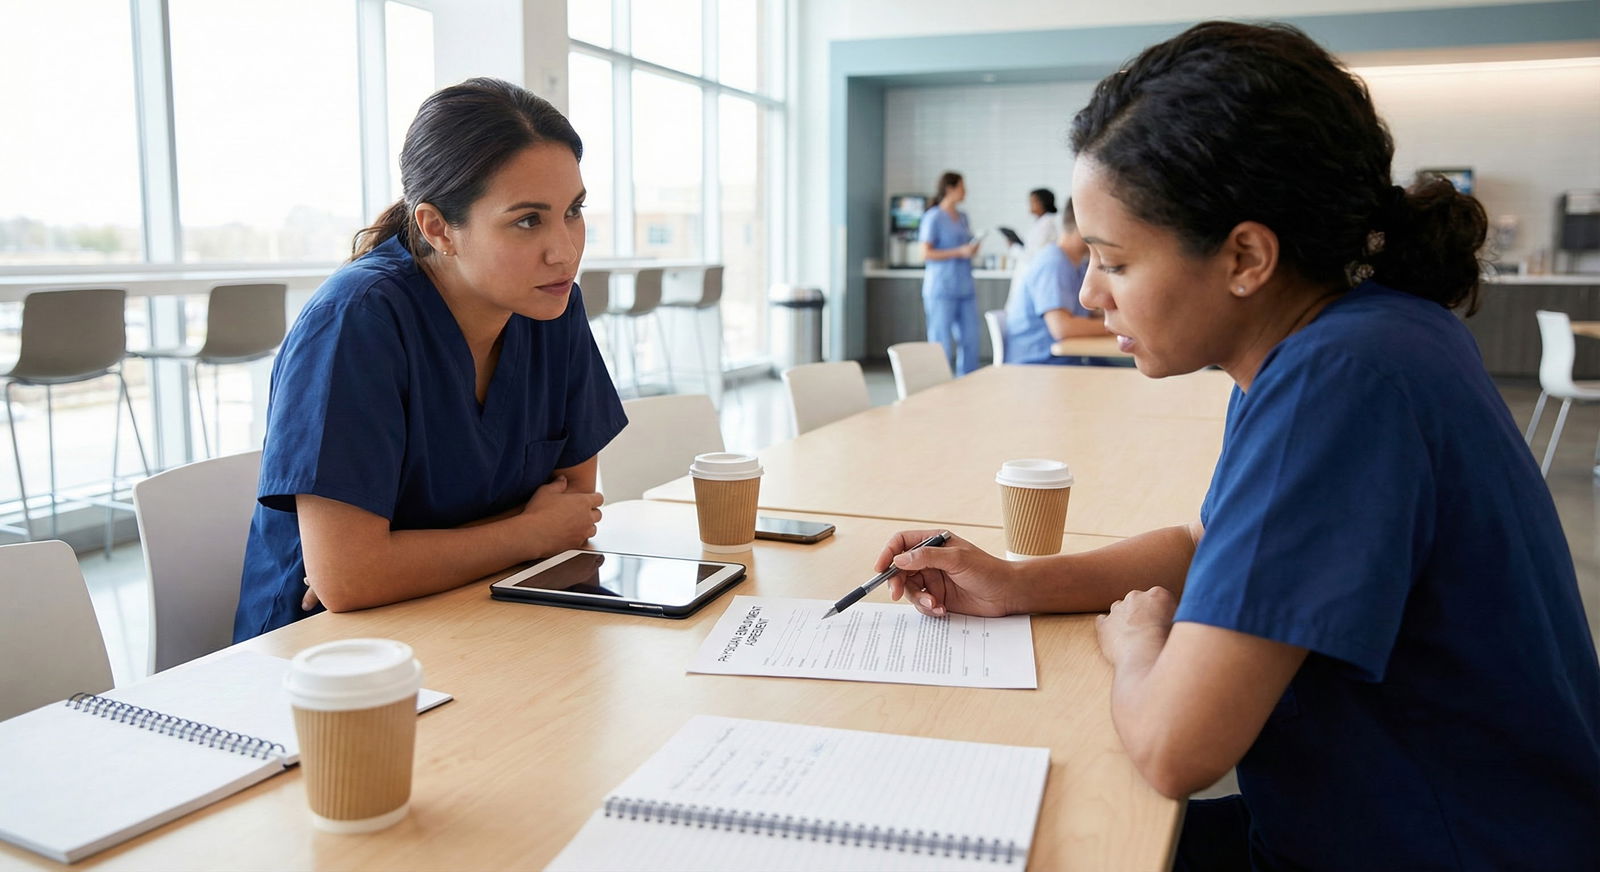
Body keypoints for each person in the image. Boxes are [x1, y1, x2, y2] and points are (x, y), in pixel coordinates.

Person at [877, 21, 1599, 870]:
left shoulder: (1337, 381)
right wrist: (1017, 585)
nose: (1089, 291)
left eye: (1115, 261)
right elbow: (1207, 545)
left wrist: (1137, 643)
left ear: (1247, 256)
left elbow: (1175, 749)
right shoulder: (1362, 339)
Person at [234, 78, 627, 640]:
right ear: (438, 228)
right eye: (527, 220)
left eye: (573, 211)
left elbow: (573, 512)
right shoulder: (357, 321)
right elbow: (348, 579)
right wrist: (525, 531)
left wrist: (405, 557)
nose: (564, 251)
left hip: (485, 616)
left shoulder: (552, 306)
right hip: (328, 651)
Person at [1003, 199, 1109, 364]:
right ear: (1083, 226)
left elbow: (1087, 313)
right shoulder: (1053, 263)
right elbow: (1062, 328)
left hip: (1064, 357)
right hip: (1038, 363)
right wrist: (1114, 326)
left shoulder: (1077, 265)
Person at [919, 171, 983, 375]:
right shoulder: (933, 217)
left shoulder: (963, 217)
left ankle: (968, 381)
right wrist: (959, 251)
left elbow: (966, 246)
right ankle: (941, 383)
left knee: (971, 339)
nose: (966, 191)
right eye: (962, 187)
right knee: (941, 341)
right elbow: (925, 253)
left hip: (964, 287)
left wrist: (971, 249)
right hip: (941, 288)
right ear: (950, 188)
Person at [1004, 188, 1064, 311]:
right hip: (1028, 273)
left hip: (1032, 274)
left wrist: (1014, 248)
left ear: (1043, 202)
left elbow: (1033, 256)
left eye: (1033, 201)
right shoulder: (1041, 222)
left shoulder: (1047, 223)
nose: (1030, 204)